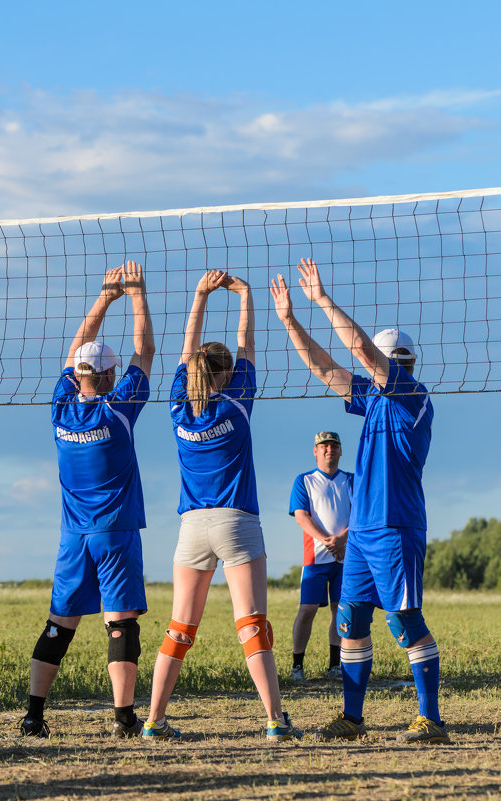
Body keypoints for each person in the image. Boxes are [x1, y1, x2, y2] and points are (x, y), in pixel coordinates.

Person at [270, 258, 449, 744]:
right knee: (350, 619)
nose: (371, 372)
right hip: (366, 530)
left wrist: (323, 300)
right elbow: (327, 368)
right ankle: (352, 718)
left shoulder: (412, 393)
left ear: (398, 364)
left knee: (404, 619)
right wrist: (290, 321)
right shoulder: (373, 398)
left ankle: (430, 719)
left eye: (381, 366)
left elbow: (364, 354)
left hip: (397, 525)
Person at [143, 269, 302, 743]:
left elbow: (187, 348)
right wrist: (245, 295)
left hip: (192, 526)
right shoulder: (236, 401)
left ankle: (154, 720)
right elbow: (248, 343)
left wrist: (198, 295)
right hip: (236, 521)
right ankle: (275, 720)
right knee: (252, 626)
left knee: (179, 628)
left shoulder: (178, 405)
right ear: (225, 373)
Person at [20, 260, 155, 739]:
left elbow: (76, 351)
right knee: (119, 625)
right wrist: (136, 293)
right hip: (114, 533)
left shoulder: (60, 408)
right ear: (109, 374)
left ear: (79, 376)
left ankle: (34, 716)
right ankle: (123, 719)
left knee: (60, 625)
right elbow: (146, 351)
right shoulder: (118, 412)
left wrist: (103, 297)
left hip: (74, 535)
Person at [289, 431, 352, 683]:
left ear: (340, 450)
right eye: (324, 446)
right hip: (315, 558)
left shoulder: (351, 480)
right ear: (315, 451)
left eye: (334, 446)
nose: (329, 450)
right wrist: (327, 540)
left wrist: (342, 540)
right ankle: (297, 665)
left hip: (346, 558)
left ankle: (335, 665)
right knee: (307, 610)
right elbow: (301, 516)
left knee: (341, 611)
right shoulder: (304, 480)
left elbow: (360, 514)